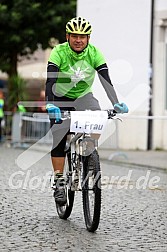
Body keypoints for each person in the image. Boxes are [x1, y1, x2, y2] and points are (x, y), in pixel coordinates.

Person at [45, 16, 128, 205]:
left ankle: (88, 155)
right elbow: (50, 81)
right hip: (60, 98)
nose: (78, 40)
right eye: (74, 35)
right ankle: (59, 182)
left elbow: (106, 80)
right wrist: (51, 104)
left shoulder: (95, 53)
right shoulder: (58, 52)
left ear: (88, 38)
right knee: (59, 137)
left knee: (99, 116)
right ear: (67, 36)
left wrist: (115, 103)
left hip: (83, 97)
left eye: (83, 36)